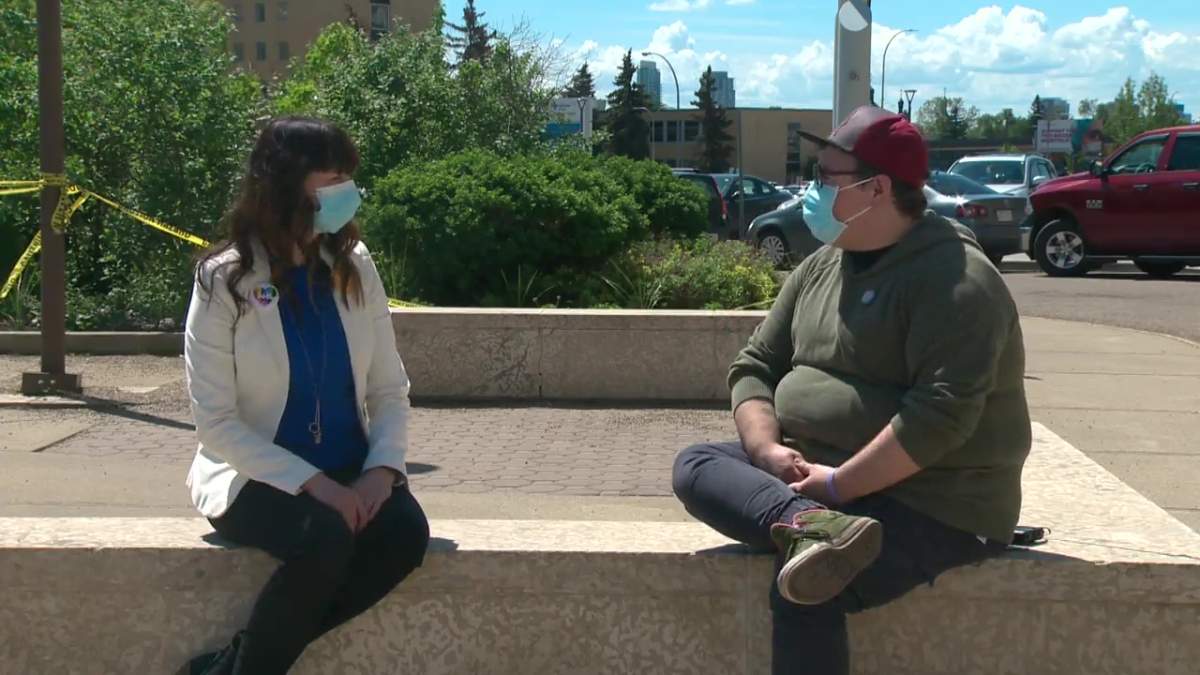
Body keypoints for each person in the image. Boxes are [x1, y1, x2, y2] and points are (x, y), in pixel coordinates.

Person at [671, 106, 1031, 675]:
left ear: (877, 188)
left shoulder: (958, 280)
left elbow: (937, 419)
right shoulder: (821, 266)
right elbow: (755, 365)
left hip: (936, 504)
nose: (811, 189)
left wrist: (838, 485)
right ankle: (814, 529)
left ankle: (814, 534)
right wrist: (767, 451)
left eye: (827, 177)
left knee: (807, 586)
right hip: (827, 484)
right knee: (697, 464)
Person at [177, 117, 430, 675]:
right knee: (324, 538)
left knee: (405, 536)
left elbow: (389, 389)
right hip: (256, 478)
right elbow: (216, 423)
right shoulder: (223, 281)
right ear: (287, 182)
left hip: (348, 469)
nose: (347, 190)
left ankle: (230, 667)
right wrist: (317, 487)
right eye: (332, 175)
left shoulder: (353, 266)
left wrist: (379, 473)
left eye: (348, 176)